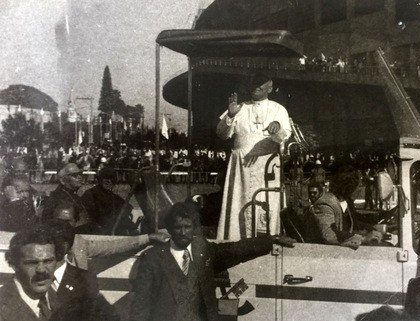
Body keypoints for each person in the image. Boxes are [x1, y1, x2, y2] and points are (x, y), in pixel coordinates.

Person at [129, 201, 295, 321]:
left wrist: (271, 240)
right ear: (170, 229)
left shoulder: (202, 250)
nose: (183, 232)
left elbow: (235, 250)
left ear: (193, 229)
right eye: (178, 228)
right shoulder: (152, 258)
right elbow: (140, 307)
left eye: (187, 227)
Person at [216, 73, 292, 240]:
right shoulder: (239, 108)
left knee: (267, 207)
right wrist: (229, 116)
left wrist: (277, 127)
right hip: (241, 168)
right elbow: (222, 134)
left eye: (261, 83)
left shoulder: (278, 109)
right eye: (253, 82)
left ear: (270, 88)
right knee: (239, 204)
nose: (256, 85)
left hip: (267, 167)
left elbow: (284, 136)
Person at [44, 202, 170, 270]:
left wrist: (148, 238)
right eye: (59, 221)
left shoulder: (79, 242)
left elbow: (113, 246)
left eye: (68, 221)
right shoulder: (43, 246)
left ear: (75, 221)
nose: (63, 226)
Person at [304, 165, 382, 248]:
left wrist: (374, 227)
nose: (360, 189)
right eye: (359, 185)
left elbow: (354, 225)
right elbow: (329, 235)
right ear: (349, 187)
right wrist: (363, 238)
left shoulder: (345, 203)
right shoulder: (325, 204)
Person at [0, 225, 58, 321]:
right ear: (13, 264)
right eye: (32, 262)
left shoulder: (64, 302)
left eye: (48, 261)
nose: (41, 269)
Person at [80, 167, 137, 235]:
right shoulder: (90, 194)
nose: (109, 181)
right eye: (106, 178)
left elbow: (127, 207)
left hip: (112, 230)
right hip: (98, 232)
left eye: (111, 179)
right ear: (100, 179)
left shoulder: (112, 195)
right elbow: (91, 217)